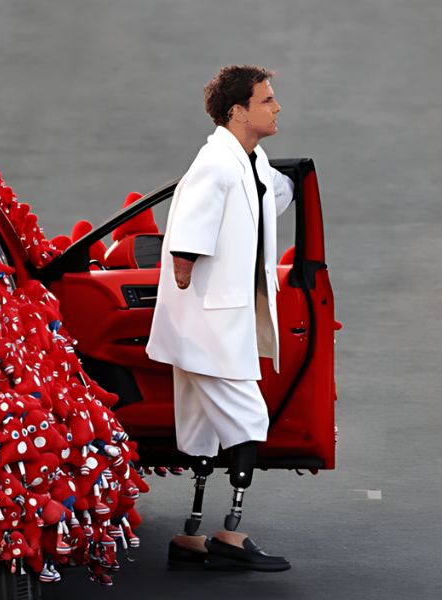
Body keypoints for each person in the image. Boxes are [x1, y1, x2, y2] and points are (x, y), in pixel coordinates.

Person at [145, 64, 295, 572]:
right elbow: (187, 233)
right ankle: (230, 534)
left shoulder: (249, 159)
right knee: (249, 420)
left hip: (212, 325)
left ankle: (190, 536)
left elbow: (270, 194)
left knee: (202, 429)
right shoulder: (216, 163)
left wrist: (299, 181)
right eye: (267, 100)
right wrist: (184, 267)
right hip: (210, 328)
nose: (276, 107)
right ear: (238, 111)